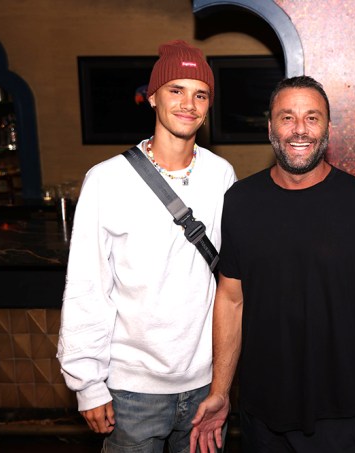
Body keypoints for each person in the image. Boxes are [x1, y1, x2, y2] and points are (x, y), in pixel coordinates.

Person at [189, 75, 355, 453]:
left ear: (328, 129)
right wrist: (220, 391)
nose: (300, 129)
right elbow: (231, 300)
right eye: (287, 118)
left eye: (312, 118)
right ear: (270, 128)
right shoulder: (240, 202)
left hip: (340, 416)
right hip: (261, 414)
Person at [57, 40, 236, 452]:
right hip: (131, 390)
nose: (188, 103)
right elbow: (88, 286)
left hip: (206, 386)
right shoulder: (106, 180)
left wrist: (226, 380)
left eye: (200, 93)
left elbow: (231, 281)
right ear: (152, 96)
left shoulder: (222, 175)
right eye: (176, 90)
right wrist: (87, 384)